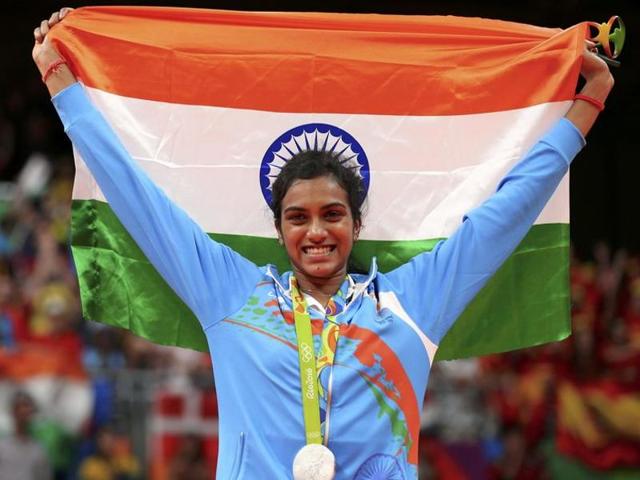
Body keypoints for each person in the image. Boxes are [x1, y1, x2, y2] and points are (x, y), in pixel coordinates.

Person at [32, 8, 614, 480]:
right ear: (279, 229)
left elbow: (506, 213)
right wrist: (63, 86)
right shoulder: (232, 293)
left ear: (356, 225)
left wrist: (585, 106)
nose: (316, 232)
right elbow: (139, 200)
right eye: (298, 218)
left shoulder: (412, 303)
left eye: (332, 214)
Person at [0, 391, 52, 480]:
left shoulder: (38, 449)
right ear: (13, 412)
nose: (23, 413)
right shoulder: (2, 447)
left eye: (27, 408)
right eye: (19, 408)